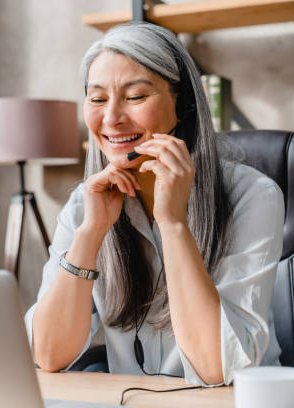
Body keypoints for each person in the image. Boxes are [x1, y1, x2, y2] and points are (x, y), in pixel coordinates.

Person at [24, 23, 284, 386]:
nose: (112, 118)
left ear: (185, 105)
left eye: (135, 97)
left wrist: (172, 222)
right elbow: (47, 355)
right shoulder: (85, 205)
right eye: (97, 99)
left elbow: (218, 369)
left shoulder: (253, 195)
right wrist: (91, 233)